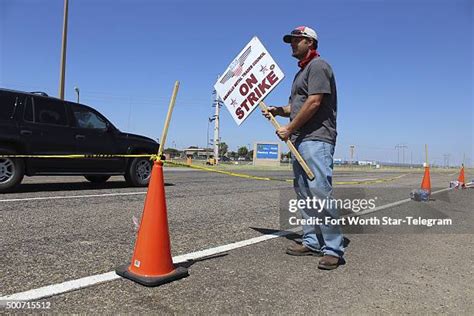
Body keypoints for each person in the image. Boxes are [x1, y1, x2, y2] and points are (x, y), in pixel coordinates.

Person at [262, 26, 345, 270]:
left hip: (317, 138)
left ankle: (333, 248)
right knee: (304, 194)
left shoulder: (319, 66)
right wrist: (278, 111)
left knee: (319, 192)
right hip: (300, 140)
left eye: (296, 40)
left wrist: (288, 128)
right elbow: (295, 106)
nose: (292, 44)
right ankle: (311, 241)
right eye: (291, 40)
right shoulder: (301, 73)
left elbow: (314, 102)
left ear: (310, 42)